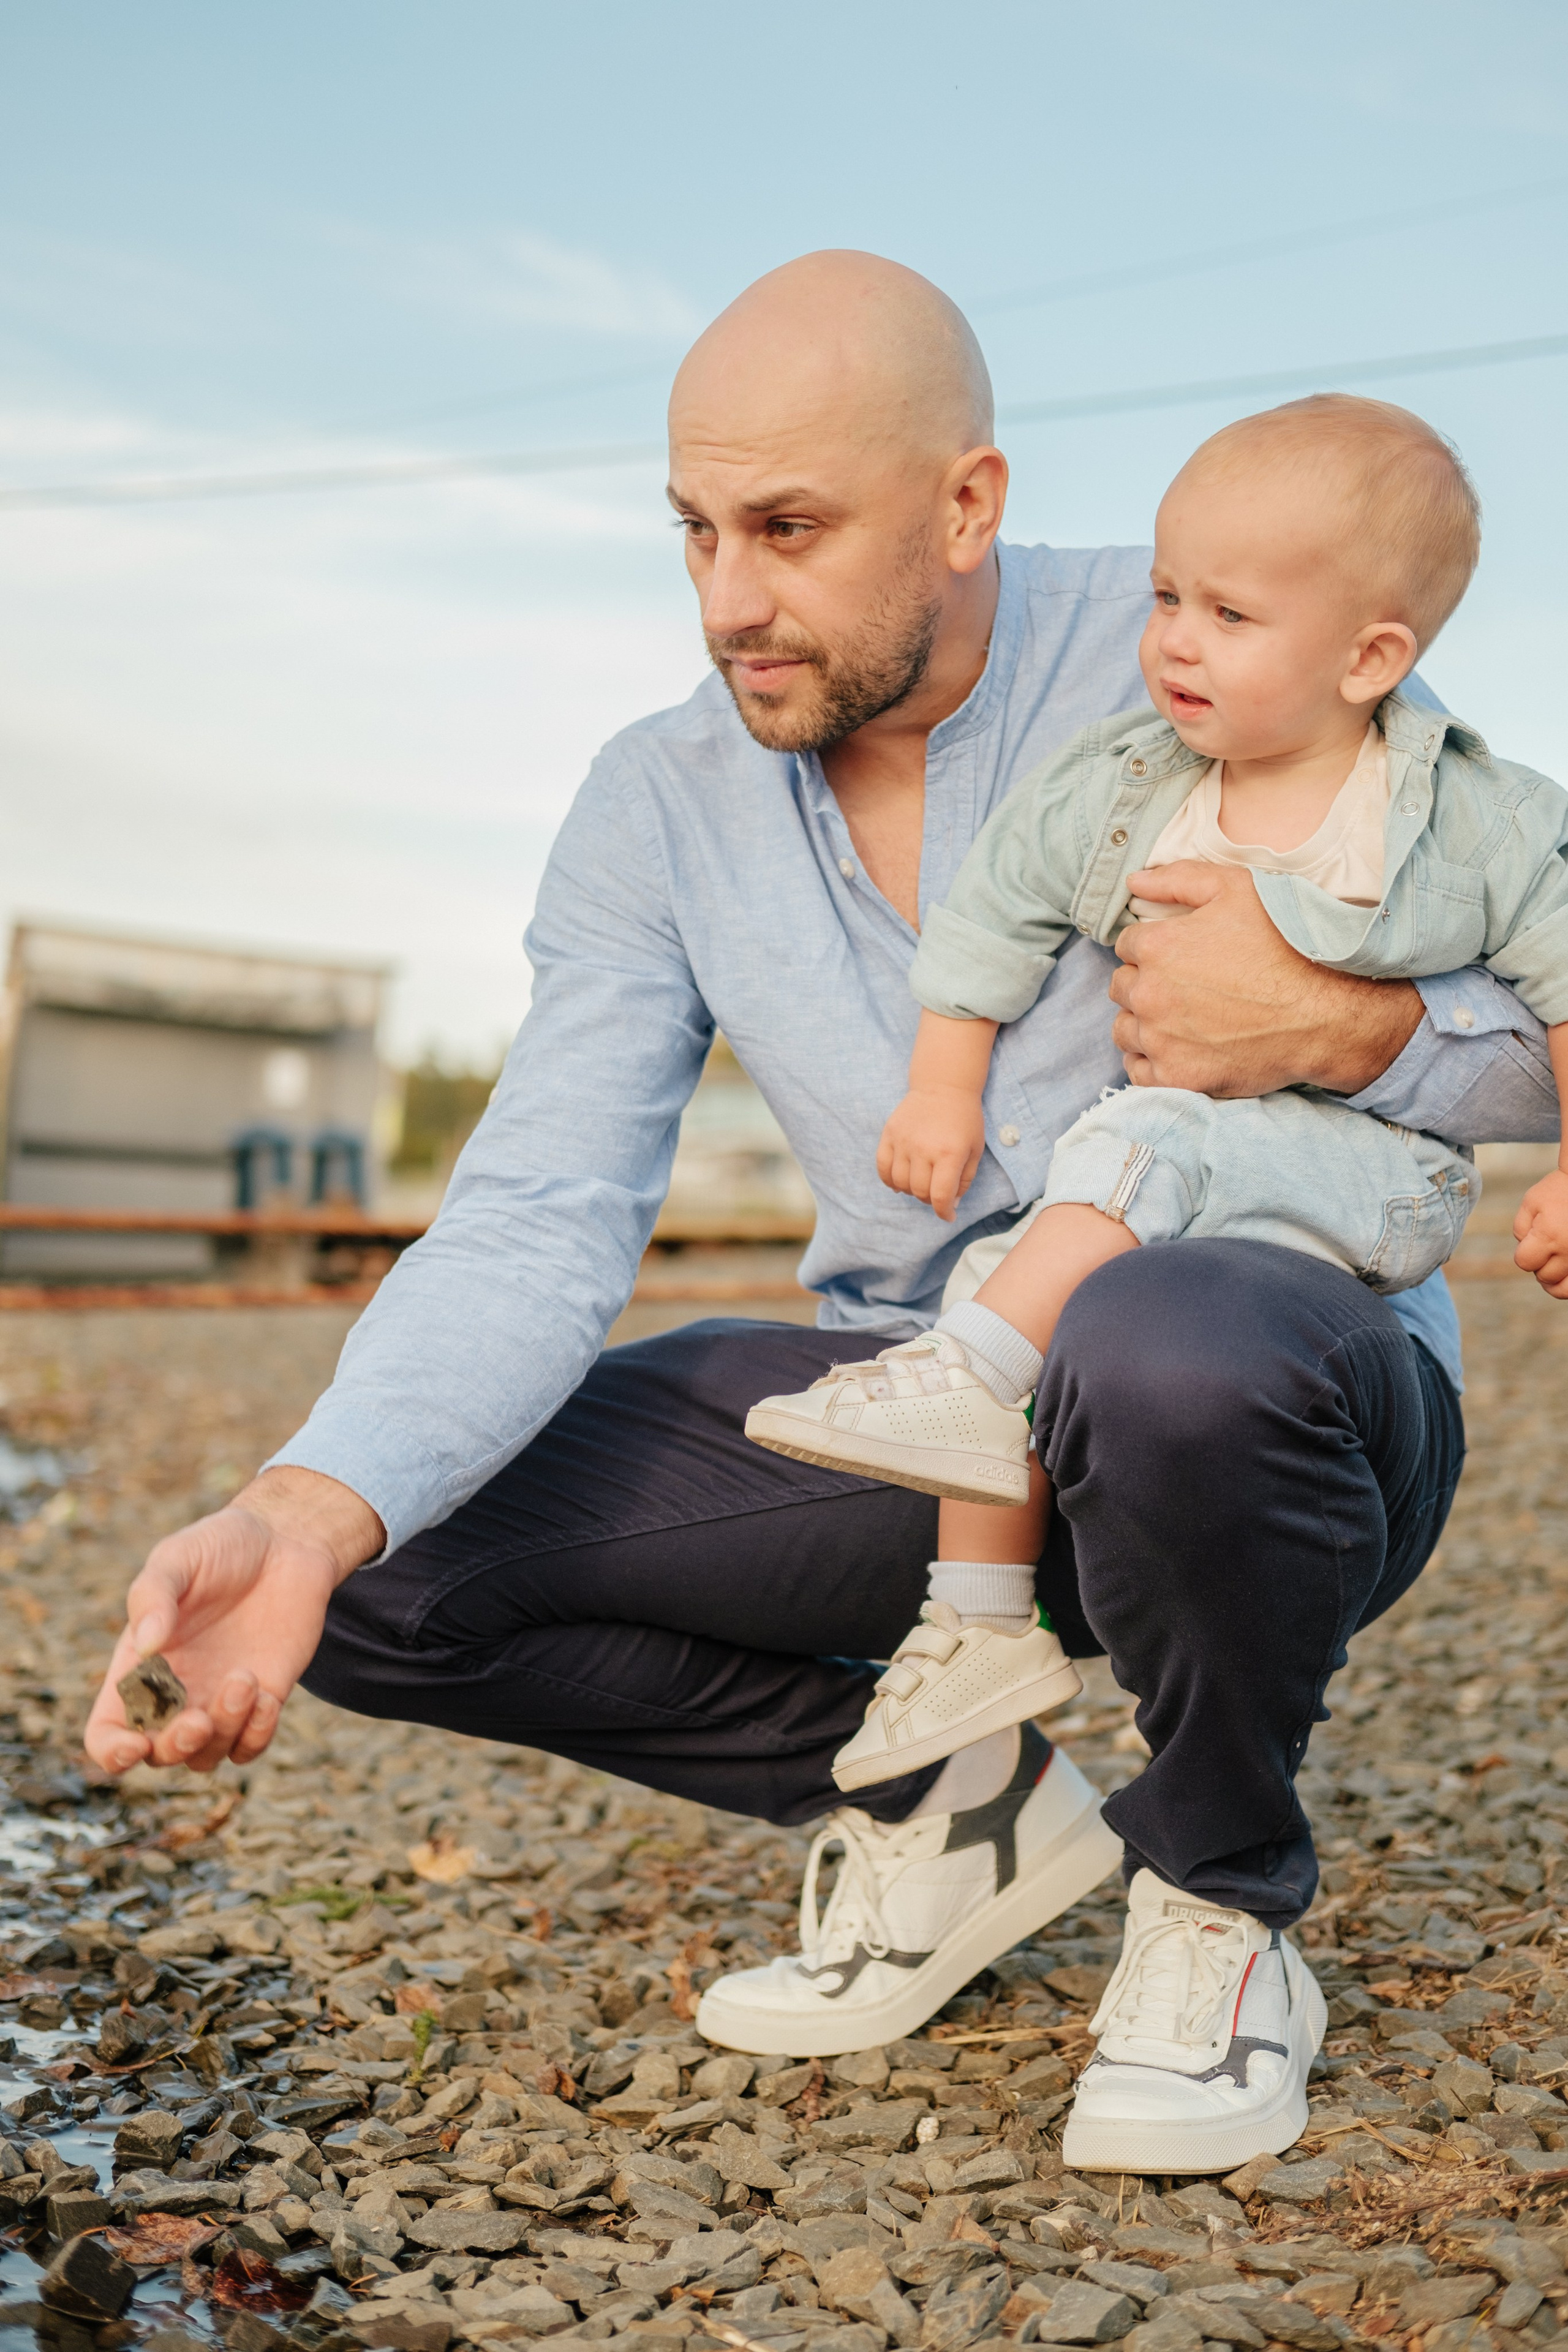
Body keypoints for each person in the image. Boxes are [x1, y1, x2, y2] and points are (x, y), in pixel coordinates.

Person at [85, 253, 1558, 2176]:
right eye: (693, 532)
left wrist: (1347, 1028)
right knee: (375, 1548)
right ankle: (955, 1806)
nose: (726, 602)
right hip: (927, 1427)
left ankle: (1220, 1902)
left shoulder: (1224, 623)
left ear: (968, 505)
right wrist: (301, 1507)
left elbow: (1529, 1029)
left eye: (786, 530)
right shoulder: (657, 803)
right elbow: (538, 1210)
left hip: (1279, 1397)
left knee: (1160, 1336)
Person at [750, 394, 1568, 1839]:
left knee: (1138, 1145)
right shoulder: (1130, 786)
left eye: (1228, 615)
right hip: (1175, 1186)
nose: (1174, 641)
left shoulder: (1466, 817)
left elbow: (1559, 983)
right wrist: (941, 1085)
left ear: (1367, 660)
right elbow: (993, 911)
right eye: (1165, 597)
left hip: (1369, 1187)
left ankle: (969, 1386)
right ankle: (975, 1619)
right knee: (999, 1268)